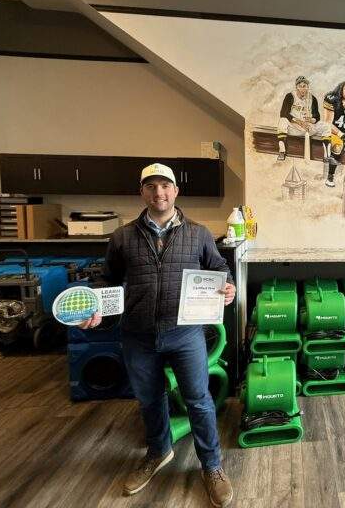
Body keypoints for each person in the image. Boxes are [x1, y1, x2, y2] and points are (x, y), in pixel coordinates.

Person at [78, 162, 236, 507]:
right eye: (151, 186)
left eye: (165, 185)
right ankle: (158, 451)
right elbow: (107, 280)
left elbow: (219, 267)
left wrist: (228, 286)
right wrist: (95, 306)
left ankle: (212, 466)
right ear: (142, 193)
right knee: (150, 400)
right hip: (138, 335)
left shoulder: (199, 234)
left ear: (176, 191)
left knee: (199, 400)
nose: (159, 192)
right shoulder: (122, 237)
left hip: (185, 334)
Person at [322, 81, 345, 187]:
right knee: (338, 146)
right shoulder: (333, 100)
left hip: (344, 134)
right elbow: (328, 123)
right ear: (340, 90)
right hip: (331, 132)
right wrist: (341, 135)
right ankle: (330, 176)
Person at [276, 76, 321, 161]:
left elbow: (317, 116)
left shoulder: (312, 98)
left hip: (307, 128)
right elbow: (283, 113)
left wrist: (312, 120)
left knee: (323, 126)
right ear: (296, 87)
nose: (303, 89)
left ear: (308, 87)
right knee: (282, 120)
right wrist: (299, 122)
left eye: (305, 86)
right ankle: (282, 150)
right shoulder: (290, 96)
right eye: (300, 86)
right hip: (293, 127)